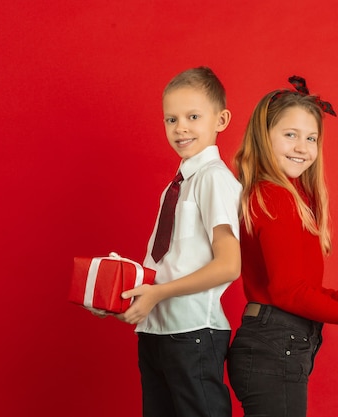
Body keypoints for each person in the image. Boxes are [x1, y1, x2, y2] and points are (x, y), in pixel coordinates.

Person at [227, 76, 338, 417]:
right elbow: (288, 293)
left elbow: (298, 287)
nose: (302, 147)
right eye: (290, 135)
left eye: (311, 138)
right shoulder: (276, 196)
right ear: (263, 135)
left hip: (276, 342)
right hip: (275, 344)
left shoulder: (287, 196)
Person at [116, 66, 242, 417]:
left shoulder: (213, 179)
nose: (180, 128)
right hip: (156, 328)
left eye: (193, 116)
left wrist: (158, 293)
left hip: (193, 333)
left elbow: (229, 264)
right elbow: (169, 261)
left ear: (221, 119)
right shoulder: (178, 185)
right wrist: (122, 293)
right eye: (171, 119)